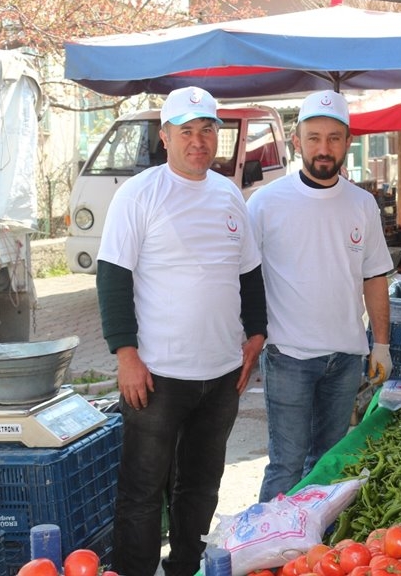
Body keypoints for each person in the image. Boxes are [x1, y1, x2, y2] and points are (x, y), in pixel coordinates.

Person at [96, 86, 268, 576]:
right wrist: (125, 354)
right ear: (165, 137)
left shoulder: (229, 194)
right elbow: (112, 276)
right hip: (157, 375)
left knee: (200, 485)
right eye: (187, 131)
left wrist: (256, 333)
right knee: (143, 490)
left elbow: (249, 272)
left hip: (222, 375)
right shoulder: (138, 194)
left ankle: (186, 568)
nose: (199, 141)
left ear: (219, 137)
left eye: (207, 130)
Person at [246, 90, 394, 503]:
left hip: (345, 358)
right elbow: (243, 277)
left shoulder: (362, 204)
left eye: (333, 138)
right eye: (313, 138)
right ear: (296, 141)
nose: (323, 148)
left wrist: (380, 344)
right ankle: (264, 556)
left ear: (349, 142)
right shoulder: (265, 203)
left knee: (328, 461)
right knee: (286, 464)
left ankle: (314, 556)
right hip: (288, 356)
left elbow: (374, 276)